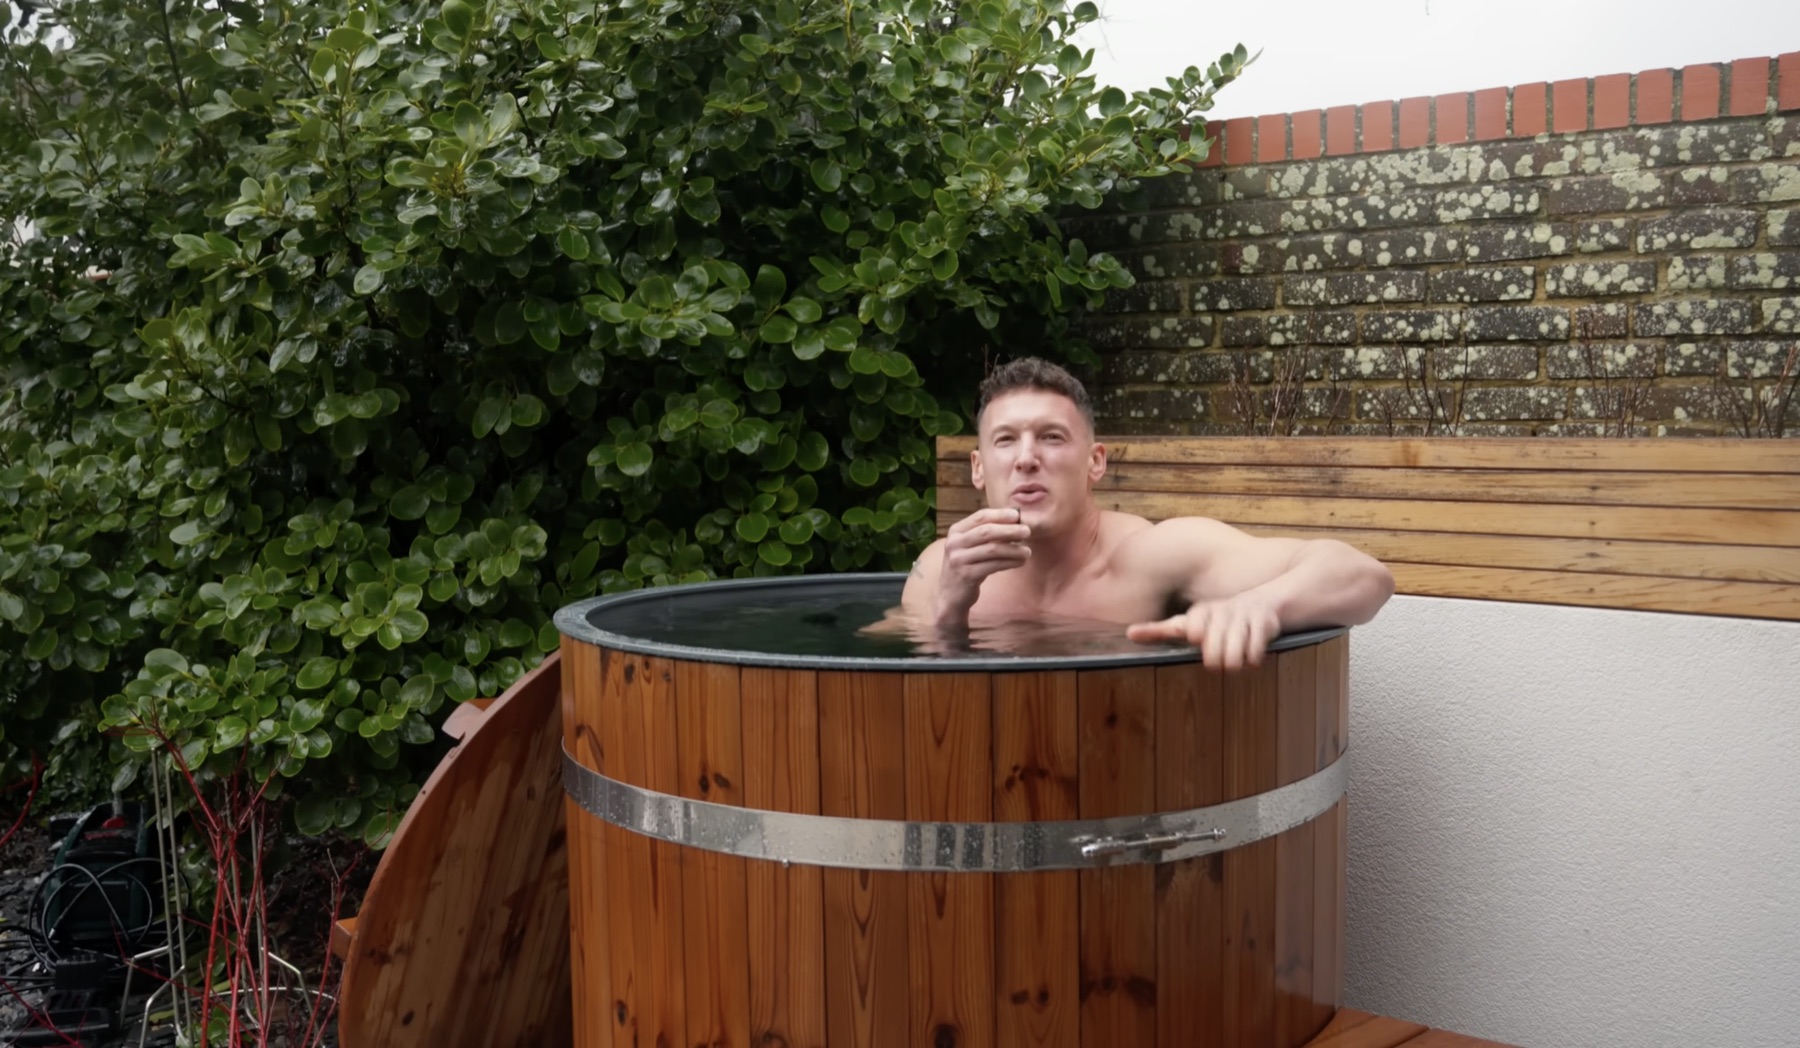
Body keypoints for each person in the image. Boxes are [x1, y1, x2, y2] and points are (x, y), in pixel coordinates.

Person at [900, 356, 1395, 670]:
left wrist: (1262, 605)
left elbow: (1364, 577)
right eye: (1006, 441)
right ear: (979, 468)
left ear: (1095, 462)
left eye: (1052, 437)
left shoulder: (1151, 556)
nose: (1027, 458)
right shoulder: (941, 568)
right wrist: (950, 608)